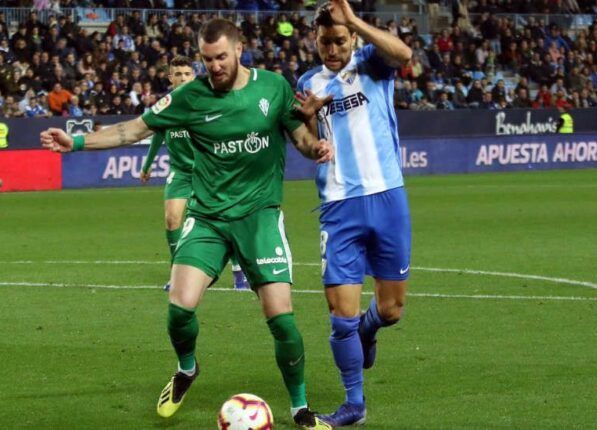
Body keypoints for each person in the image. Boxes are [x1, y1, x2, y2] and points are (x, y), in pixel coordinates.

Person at [40, 18, 333, 430]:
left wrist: (316, 141)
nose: (214, 66)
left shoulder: (273, 86)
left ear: (239, 49)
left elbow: (301, 139)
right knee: (179, 308)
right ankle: (187, 369)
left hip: (260, 217)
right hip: (209, 217)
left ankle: (300, 409)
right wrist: (78, 142)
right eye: (207, 59)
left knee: (281, 317)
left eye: (221, 57)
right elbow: (133, 129)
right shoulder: (188, 97)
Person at [295, 0, 413, 426]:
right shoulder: (307, 83)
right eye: (325, 42)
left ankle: (370, 329)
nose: (332, 49)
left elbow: (404, 55)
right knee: (340, 315)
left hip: (388, 198)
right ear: (314, 40)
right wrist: (307, 120)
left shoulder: (372, 65)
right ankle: (354, 404)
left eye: (340, 40)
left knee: (392, 309)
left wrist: (356, 20)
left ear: (353, 38)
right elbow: (306, 143)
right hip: (339, 206)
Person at [140, 56, 250, 291]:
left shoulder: (206, 102)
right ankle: (177, 274)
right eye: (177, 74)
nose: (183, 78)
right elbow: (157, 134)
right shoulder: (165, 107)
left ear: (194, 76)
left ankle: (239, 272)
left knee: (226, 219)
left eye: (187, 74)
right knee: (172, 219)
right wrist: (147, 165)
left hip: (210, 173)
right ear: (170, 78)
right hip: (181, 173)